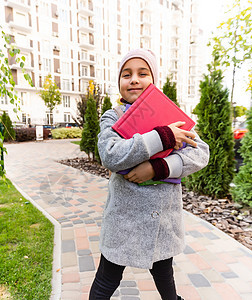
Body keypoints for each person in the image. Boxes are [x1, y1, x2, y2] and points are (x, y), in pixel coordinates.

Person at [89, 49, 210, 300]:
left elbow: (201, 154)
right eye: (126, 74)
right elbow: (110, 155)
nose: (134, 79)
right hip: (124, 218)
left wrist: (159, 168)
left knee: (165, 275)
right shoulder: (113, 117)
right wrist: (162, 136)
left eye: (143, 73)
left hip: (162, 219)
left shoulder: (171, 117)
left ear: (153, 80)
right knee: (107, 278)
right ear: (118, 82)